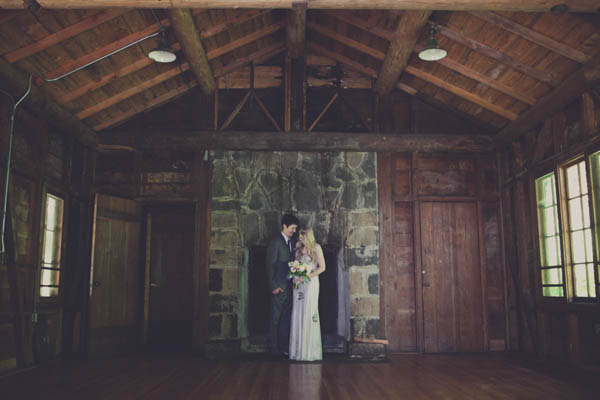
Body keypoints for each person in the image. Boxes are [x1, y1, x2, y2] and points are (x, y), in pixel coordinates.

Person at [289, 227, 326, 361]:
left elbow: (322, 267)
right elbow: (295, 266)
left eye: (302, 237)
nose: (300, 239)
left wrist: (307, 276)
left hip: (310, 284)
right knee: (298, 312)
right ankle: (298, 351)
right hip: (299, 285)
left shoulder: (316, 248)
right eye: (299, 237)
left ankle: (309, 352)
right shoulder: (299, 248)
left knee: (309, 313)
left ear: (308, 236)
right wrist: (295, 276)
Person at [266, 213, 299, 356]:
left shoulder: (292, 242)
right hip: (278, 287)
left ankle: (283, 348)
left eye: (295, 228)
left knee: (286, 318)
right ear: (284, 226)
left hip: (289, 287)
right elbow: (269, 265)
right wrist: (273, 286)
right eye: (292, 228)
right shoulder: (275, 242)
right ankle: (273, 349)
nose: (294, 231)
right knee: (275, 319)